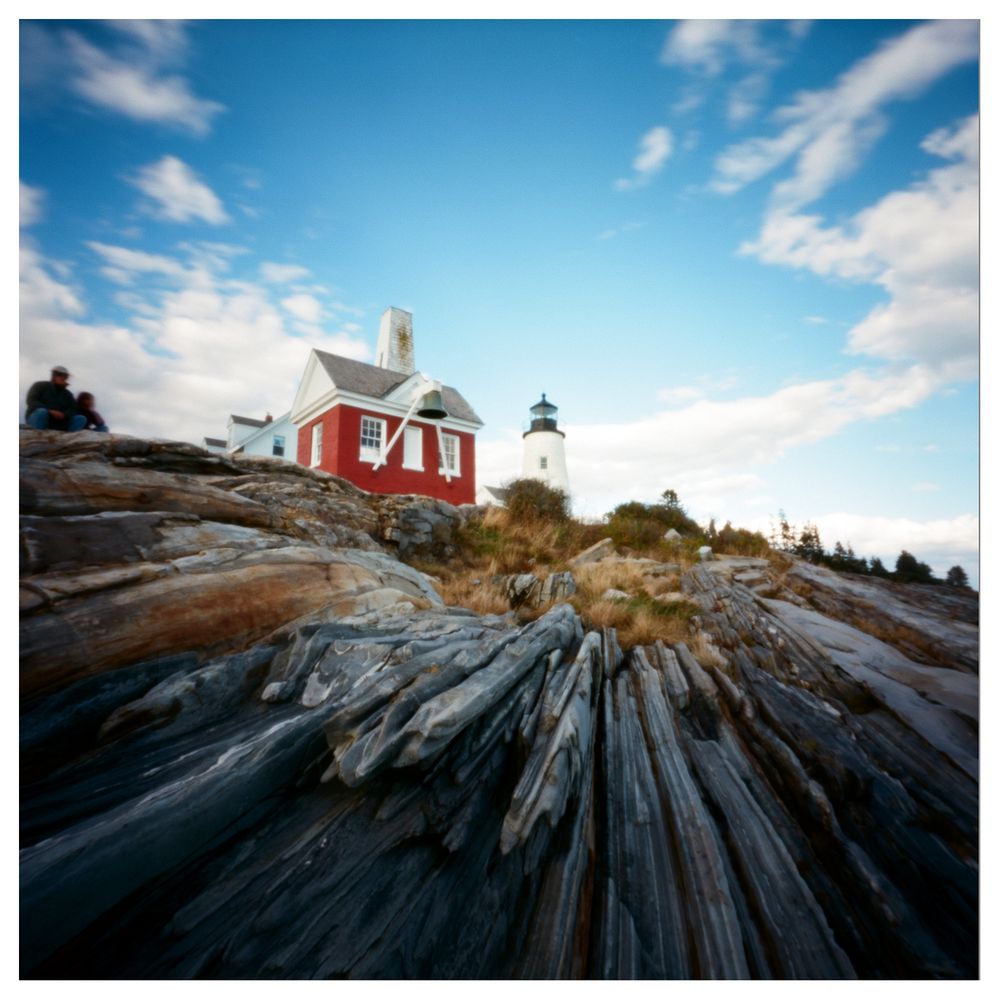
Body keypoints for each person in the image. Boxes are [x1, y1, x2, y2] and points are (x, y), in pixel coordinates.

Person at [25, 366, 86, 431]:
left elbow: (73, 409)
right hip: (38, 418)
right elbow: (31, 401)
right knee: (42, 412)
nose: (65, 379)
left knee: (81, 418)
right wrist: (49, 411)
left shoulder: (68, 394)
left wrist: (64, 415)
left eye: (66, 377)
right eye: (62, 376)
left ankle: (68, 438)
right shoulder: (39, 385)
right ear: (54, 376)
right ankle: (38, 437)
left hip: (58, 423)